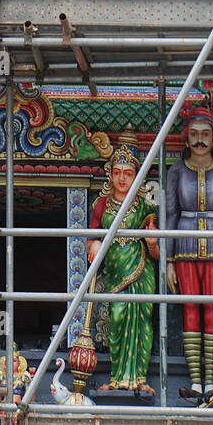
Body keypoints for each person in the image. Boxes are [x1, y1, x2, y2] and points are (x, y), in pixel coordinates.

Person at [166, 111, 213, 396]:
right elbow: (170, 214)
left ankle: (211, 379)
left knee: (212, 310)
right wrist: (169, 261)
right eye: (194, 134)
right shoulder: (176, 171)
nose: (199, 140)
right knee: (190, 310)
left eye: (205, 134)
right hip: (183, 242)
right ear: (187, 137)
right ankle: (196, 379)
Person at [87, 137, 158, 393]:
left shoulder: (145, 207)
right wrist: (93, 244)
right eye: (117, 173)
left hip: (140, 270)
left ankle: (139, 377)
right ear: (110, 175)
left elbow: (156, 248)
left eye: (128, 174)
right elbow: (93, 234)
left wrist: (152, 243)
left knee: (142, 320)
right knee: (117, 319)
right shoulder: (102, 205)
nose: (122, 179)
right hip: (116, 271)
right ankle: (118, 377)